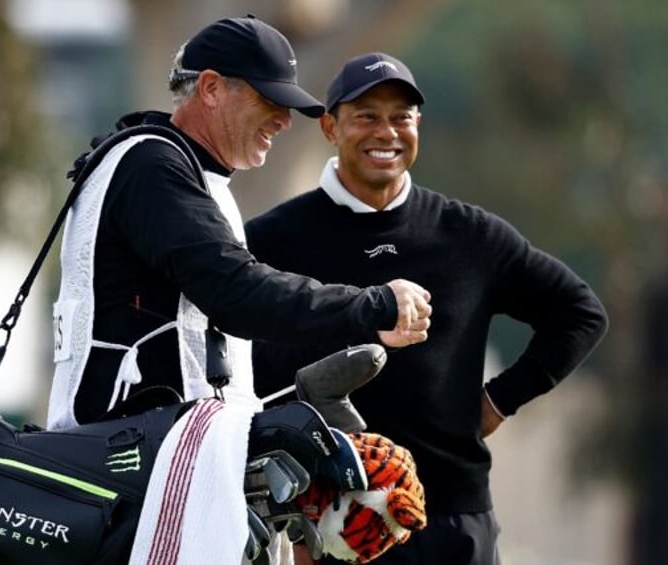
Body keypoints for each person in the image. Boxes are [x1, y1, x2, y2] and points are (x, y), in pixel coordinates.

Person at [245, 52, 609, 564]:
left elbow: (580, 312)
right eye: (366, 116)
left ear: (419, 125)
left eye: (401, 117)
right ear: (329, 127)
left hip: (454, 516)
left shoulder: (470, 234)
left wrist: (500, 400)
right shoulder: (272, 238)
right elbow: (235, 354)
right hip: (333, 523)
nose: (386, 132)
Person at [45, 20, 432, 431]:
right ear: (211, 88)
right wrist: (373, 306)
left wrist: (358, 327)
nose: (284, 120)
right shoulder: (152, 167)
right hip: (122, 456)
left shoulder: (186, 171)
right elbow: (238, 294)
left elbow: (233, 335)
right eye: (270, 100)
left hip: (151, 446)